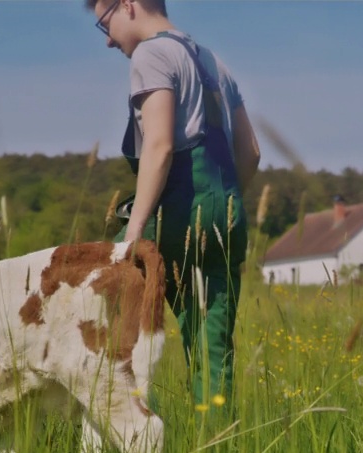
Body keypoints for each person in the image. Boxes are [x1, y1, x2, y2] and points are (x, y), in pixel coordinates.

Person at [89, 0, 260, 408]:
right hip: (227, 213)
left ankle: (108, 435)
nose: (109, 41)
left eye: (104, 24)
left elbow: (160, 145)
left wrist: (132, 236)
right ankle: (216, 452)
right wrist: (224, 204)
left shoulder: (151, 53)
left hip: (180, 211)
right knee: (211, 347)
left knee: (98, 303)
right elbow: (250, 153)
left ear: (127, 5)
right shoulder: (216, 62)